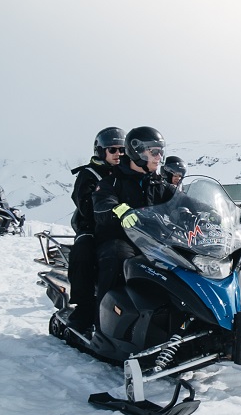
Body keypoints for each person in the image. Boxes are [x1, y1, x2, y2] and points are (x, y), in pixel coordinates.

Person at [91, 127, 176, 323]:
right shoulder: (111, 182)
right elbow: (103, 203)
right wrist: (120, 210)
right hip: (120, 239)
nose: (159, 157)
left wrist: (210, 214)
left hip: (153, 242)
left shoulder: (158, 184)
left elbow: (182, 202)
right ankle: (102, 323)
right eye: (154, 152)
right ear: (137, 152)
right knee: (118, 256)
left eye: (161, 152)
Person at [65, 127, 125, 334]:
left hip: (122, 227)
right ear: (101, 151)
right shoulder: (88, 174)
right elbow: (85, 206)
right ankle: (83, 308)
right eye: (113, 150)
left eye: (122, 150)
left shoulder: (126, 172)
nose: (118, 154)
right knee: (83, 252)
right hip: (91, 226)